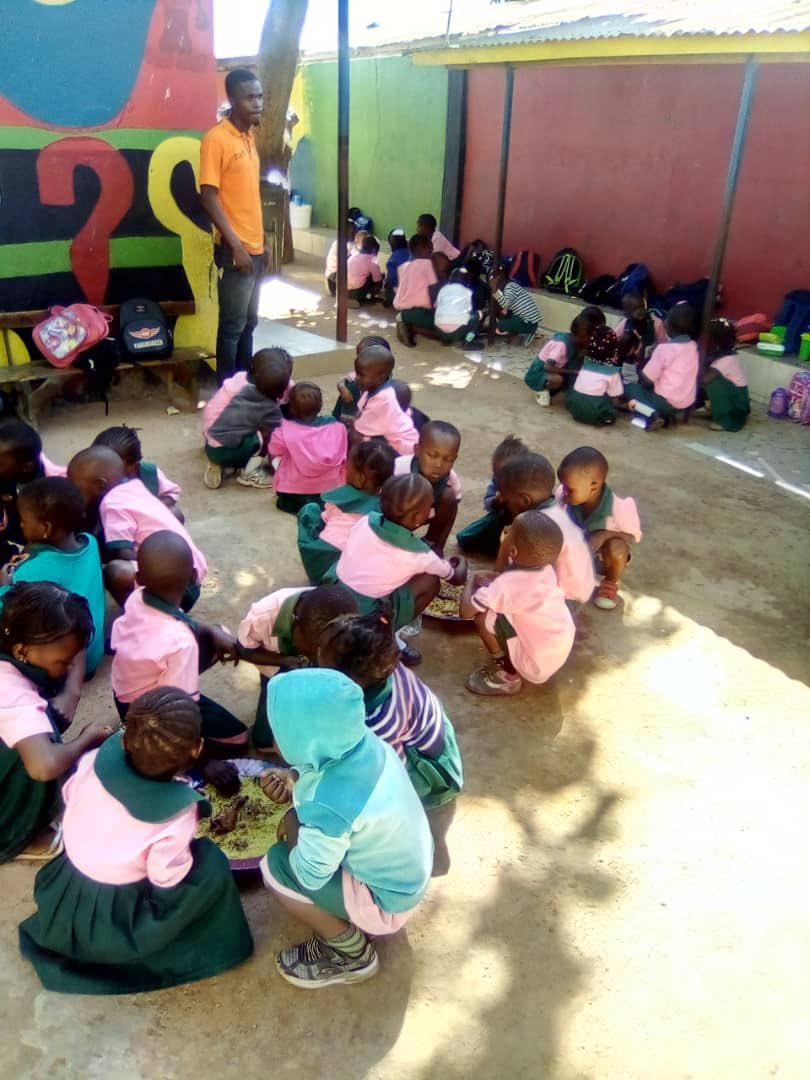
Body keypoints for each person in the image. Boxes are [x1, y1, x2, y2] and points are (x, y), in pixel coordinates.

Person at [19, 688, 254, 994]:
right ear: (197, 750)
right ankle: (208, 951)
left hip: (69, 885)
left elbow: (69, 797)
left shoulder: (93, 760)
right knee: (211, 863)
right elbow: (165, 876)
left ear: (125, 739)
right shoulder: (176, 814)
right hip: (116, 919)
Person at [259, 669, 433, 988]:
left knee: (275, 867)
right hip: (407, 875)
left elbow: (310, 874)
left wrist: (295, 820)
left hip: (387, 903)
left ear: (304, 740)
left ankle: (351, 954)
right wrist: (295, 778)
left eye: (279, 730)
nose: (273, 737)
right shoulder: (366, 743)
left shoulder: (328, 807)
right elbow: (326, 772)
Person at [0, 581, 112, 862]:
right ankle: (21, 835)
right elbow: (44, 766)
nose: (72, 665)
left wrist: (71, 691)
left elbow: (75, 639)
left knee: (41, 726)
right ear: (22, 652)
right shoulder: (13, 691)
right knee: (35, 753)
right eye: (65, 662)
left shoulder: (14, 629)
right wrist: (87, 739)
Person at [110, 531, 247, 761]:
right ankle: (168, 756)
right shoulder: (181, 643)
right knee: (237, 738)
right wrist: (200, 759)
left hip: (122, 691)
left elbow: (179, 619)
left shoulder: (137, 596)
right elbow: (178, 712)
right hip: (148, 710)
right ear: (193, 577)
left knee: (218, 633)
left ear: (139, 578)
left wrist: (211, 631)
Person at [318, 612, 463, 810]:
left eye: (323, 655)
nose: (316, 654)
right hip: (430, 727)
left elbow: (393, 774)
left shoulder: (378, 721)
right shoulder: (382, 665)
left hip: (423, 763)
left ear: (349, 678)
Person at [67, 445, 208, 611]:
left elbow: (122, 552)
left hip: (176, 586)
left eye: (76, 488)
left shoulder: (112, 504)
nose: (73, 494)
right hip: (190, 575)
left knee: (115, 572)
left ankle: (143, 618)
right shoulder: (134, 487)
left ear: (100, 484)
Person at [334, 474, 467, 642]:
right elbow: (456, 578)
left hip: (336, 596)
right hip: (366, 616)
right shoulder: (420, 554)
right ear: (418, 517)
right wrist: (461, 563)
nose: (432, 510)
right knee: (430, 580)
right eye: (430, 505)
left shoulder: (366, 520)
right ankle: (388, 635)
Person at [461, 510, 575, 697]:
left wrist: (471, 580)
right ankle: (515, 659)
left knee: (482, 617)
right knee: (504, 610)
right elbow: (512, 583)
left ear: (513, 550)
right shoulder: (547, 569)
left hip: (534, 666)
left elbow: (465, 611)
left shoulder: (506, 587)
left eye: (509, 531)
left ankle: (507, 675)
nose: (505, 530)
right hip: (556, 651)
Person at [200, 68, 266, 384]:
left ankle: (245, 386)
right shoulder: (217, 139)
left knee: (250, 323)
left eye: (260, 96)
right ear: (232, 100)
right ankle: (227, 392)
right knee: (231, 327)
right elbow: (208, 195)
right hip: (235, 250)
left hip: (257, 248)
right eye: (249, 97)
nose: (257, 103)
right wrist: (236, 245)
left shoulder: (249, 137)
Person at [1, 478, 106, 676]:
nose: (21, 524)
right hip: (91, 652)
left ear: (46, 529)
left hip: (63, 664)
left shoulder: (31, 571)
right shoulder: (90, 542)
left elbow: (5, 611)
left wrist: (4, 586)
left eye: (23, 520)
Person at [237, 584, 358, 749]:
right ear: (295, 625)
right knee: (263, 739)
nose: (319, 659)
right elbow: (244, 651)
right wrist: (286, 662)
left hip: (300, 667)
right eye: (312, 651)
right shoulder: (263, 617)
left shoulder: (343, 621)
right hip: (277, 668)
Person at [497, 453, 596, 606]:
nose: (504, 503)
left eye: (507, 500)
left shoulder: (536, 525)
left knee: (496, 610)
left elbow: (519, 570)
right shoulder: (556, 510)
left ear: (524, 500)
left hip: (564, 600)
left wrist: (499, 575)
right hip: (581, 590)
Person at [297, 438, 396, 584]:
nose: (344, 472)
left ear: (360, 478)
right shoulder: (387, 507)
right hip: (351, 573)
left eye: (347, 470)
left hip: (320, 562)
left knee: (310, 510)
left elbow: (325, 520)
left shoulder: (338, 497)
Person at [557, 447, 642, 612]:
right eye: (563, 486)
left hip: (600, 560)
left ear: (594, 486)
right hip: (574, 557)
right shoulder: (564, 496)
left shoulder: (619, 509)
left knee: (618, 549)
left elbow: (632, 536)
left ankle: (609, 584)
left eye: (570, 489)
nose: (564, 492)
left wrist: (605, 534)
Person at [201, 346, 292, 490]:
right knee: (270, 435)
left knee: (245, 425)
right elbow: (280, 429)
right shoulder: (264, 402)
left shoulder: (240, 379)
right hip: (227, 446)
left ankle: (218, 463)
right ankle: (249, 472)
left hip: (210, 438)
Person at [268, 382, 347, 515]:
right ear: (320, 405)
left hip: (295, 491)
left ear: (291, 408)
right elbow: (343, 452)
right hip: (331, 488)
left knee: (282, 461)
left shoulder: (283, 430)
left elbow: (273, 450)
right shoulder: (337, 427)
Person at [0, 420, 66, 565]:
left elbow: (58, 535)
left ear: (26, 467)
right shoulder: (9, 466)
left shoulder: (55, 489)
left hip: (42, 540)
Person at [625, 303, 699, 429]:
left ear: (667, 325)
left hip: (665, 403)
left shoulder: (664, 349)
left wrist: (638, 368)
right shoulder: (693, 346)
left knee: (629, 388)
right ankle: (660, 413)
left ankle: (653, 414)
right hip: (686, 403)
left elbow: (647, 381)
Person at [393, 420, 462, 555]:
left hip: (428, 514)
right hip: (397, 515)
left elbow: (451, 511)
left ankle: (432, 544)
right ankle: (395, 540)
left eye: (448, 459)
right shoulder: (400, 468)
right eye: (432, 455)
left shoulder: (451, 480)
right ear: (417, 450)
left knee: (449, 498)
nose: (439, 464)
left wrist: (438, 545)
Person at [337, 345, 418, 454]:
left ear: (380, 378)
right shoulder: (373, 389)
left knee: (353, 437)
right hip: (389, 437)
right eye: (357, 373)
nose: (356, 378)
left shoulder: (382, 399)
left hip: (400, 447)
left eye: (361, 375)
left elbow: (360, 429)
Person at [456, 434, 528, 556]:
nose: (500, 479)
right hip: (499, 519)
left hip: (522, 526)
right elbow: (488, 503)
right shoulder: (497, 482)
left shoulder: (529, 486)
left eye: (505, 476)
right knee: (464, 537)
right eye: (497, 474)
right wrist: (496, 501)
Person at [92, 425, 182, 518]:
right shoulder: (97, 480)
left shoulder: (149, 473)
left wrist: (153, 507)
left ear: (135, 463)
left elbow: (170, 494)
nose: (106, 470)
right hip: (113, 524)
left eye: (112, 466)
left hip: (146, 520)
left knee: (175, 514)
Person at [525, 306, 606, 406]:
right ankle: (542, 390)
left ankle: (559, 389)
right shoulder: (562, 344)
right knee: (558, 380)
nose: (592, 340)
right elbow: (548, 367)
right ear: (582, 335)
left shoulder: (578, 345)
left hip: (556, 371)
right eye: (590, 337)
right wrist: (573, 372)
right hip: (538, 373)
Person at [565, 324, 625, 426]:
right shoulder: (612, 372)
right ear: (615, 350)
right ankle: (600, 419)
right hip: (594, 410)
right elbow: (616, 402)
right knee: (612, 410)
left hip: (573, 406)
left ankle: (580, 414)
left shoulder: (585, 363)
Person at [698, 318, 751, 432]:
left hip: (737, 407)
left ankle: (726, 421)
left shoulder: (726, 360)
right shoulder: (721, 353)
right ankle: (716, 408)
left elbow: (704, 380)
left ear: (716, 343)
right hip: (734, 399)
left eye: (707, 339)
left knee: (714, 383)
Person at [332, 334, 391, 422]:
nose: (357, 360)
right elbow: (346, 379)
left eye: (362, 356)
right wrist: (342, 387)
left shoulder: (390, 390)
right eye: (358, 356)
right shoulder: (356, 379)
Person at [394, 234, 437, 348]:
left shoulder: (404, 266)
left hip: (404, 307)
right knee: (443, 328)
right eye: (430, 251)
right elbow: (433, 290)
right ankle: (410, 327)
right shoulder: (427, 265)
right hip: (418, 311)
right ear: (422, 251)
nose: (432, 254)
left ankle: (404, 319)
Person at [614, 290, 667, 368]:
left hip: (649, 363)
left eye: (641, 307)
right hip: (628, 364)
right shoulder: (624, 323)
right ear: (626, 314)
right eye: (635, 309)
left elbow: (663, 346)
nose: (640, 311)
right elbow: (613, 339)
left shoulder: (656, 323)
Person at [489, 268, 541, 343]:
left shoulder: (511, 286)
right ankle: (514, 333)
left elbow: (505, 303)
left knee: (497, 326)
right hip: (522, 318)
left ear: (500, 277)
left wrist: (494, 290)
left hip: (528, 322)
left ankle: (526, 333)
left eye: (493, 277)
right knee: (498, 319)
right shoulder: (507, 286)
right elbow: (505, 308)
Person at [433, 268, 480, 348]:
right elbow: (469, 310)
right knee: (478, 315)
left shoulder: (443, 289)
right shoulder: (468, 291)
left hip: (439, 331)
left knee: (441, 316)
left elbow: (435, 306)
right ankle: (468, 341)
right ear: (467, 280)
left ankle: (445, 340)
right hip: (456, 332)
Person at [347, 234, 382, 307]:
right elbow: (377, 280)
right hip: (358, 292)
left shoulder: (353, 256)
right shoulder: (372, 262)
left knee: (365, 275)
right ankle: (368, 296)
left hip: (345, 290)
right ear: (374, 249)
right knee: (377, 279)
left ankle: (349, 298)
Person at [324, 221, 357, 296]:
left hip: (335, 278)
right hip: (333, 279)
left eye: (355, 230)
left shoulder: (348, 244)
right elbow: (349, 263)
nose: (355, 233)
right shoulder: (341, 244)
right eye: (352, 231)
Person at [383, 229, 410, 306]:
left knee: (387, 284)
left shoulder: (392, 260)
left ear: (391, 244)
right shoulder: (412, 253)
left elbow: (392, 280)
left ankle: (390, 301)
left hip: (402, 294)